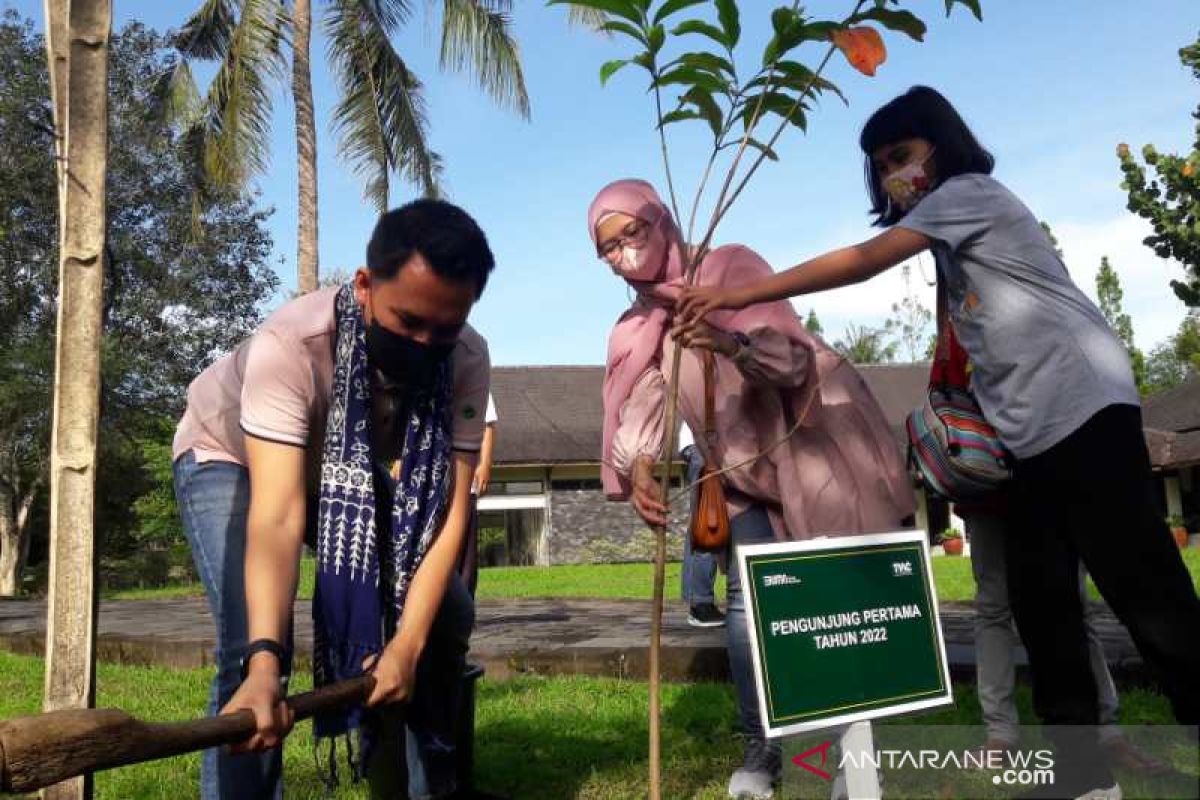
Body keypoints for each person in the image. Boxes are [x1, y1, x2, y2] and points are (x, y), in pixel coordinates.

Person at [678, 85, 1200, 800]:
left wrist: (738, 295)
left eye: (902, 155)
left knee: (1146, 592)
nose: (894, 174)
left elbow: (864, 258)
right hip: (1029, 441)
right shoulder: (951, 248)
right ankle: (1081, 779)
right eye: (881, 166)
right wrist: (732, 339)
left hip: (1084, 414)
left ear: (941, 144)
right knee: (1042, 606)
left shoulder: (969, 195)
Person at [590, 178, 915, 799]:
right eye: (609, 247)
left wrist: (726, 340)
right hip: (734, 476)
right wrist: (636, 467)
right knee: (744, 612)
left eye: (633, 232)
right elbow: (645, 403)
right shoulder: (640, 325)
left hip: (804, 454)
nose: (625, 253)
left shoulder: (729, 268)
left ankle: (848, 757)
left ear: (661, 221)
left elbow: (791, 360)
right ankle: (763, 748)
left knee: (824, 605)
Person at [171, 199, 495, 800]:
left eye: (443, 330)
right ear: (366, 286)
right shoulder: (291, 346)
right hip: (229, 456)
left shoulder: (468, 358)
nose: (425, 344)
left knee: (446, 612)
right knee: (249, 644)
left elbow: (449, 512)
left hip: (338, 473)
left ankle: (433, 786)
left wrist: (406, 644)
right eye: (408, 323)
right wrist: (266, 664)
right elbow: (277, 515)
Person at [936, 324, 1166, 773]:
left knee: (1074, 602)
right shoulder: (957, 326)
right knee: (993, 606)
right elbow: (945, 395)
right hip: (988, 483)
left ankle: (1106, 730)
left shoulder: (1045, 315)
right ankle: (1000, 733)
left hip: (1049, 469)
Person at [677, 423, 725, 628]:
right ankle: (701, 604)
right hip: (704, 444)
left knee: (702, 523)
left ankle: (698, 600)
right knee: (709, 523)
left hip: (704, 443)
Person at [460, 394, 499, 596]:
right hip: (431, 483)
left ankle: (465, 606)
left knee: (466, 556)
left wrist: (485, 464)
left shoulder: (473, 370)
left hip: (465, 481)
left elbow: (488, 425)